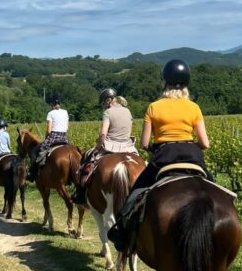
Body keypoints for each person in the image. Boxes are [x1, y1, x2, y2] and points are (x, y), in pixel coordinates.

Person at [108, 59, 211, 249]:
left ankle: (122, 232)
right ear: (187, 84)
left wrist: (157, 146)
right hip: (193, 156)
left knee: (135, 193)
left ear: (165, 82)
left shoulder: (154, 107)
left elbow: (145, 143)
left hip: (164, 157)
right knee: (214, 189)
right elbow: (205, 143)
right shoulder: (194, 107)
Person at [72, 88, 137, 204]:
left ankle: (80, 192)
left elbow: (103, 134)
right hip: (128, 147)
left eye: (103, 103)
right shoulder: (127, 111)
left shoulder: (108, 112)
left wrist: (97, 148)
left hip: (110, 146)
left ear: (108, 100)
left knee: (86, 164)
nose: (103, 105)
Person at [27, 96, 69, 182]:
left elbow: (49, 130)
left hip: (54, 136)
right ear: (59, 104)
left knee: (37, 151)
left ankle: (33, 173)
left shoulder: (50, 113)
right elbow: (67, 127)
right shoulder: (65, 112)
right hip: (64, 137)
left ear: (52, 105)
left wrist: (46, 136)